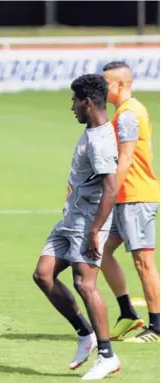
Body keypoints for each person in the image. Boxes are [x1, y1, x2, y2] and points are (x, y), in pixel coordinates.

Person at [33, 74, 121, 380]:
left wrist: (96, 230)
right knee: (43, 275)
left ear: (87, 102)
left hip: (87, 222)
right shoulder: (92, 130)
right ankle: (86, 333)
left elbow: (111, 189)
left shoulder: (100, 142)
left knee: (85, 284)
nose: (71, 107)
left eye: (74, 101)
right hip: (70, 220)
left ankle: (107, 355)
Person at [101, 61, 160, 343]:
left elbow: (125, 160)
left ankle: (157, 326)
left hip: (136, 196)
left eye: (107, 84)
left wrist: (108, 192)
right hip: (124, 197)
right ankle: (127, 314)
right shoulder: (124, 112)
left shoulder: (128, 114)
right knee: (100, 250)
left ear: (120, 85)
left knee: (144, 263)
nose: (103, 89)